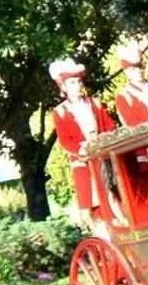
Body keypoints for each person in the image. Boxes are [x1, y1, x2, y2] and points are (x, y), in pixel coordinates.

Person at [49, 59, 117, 217]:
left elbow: (109, 125)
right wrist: (82, 149)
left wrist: (104, 140)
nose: (77, 85)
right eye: (72, 83)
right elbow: (65, 141)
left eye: (79, 81)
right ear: (64, 87)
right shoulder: (60, 112)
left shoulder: (95, 103)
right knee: (94, 204)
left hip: (103, 155)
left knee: (114, 193)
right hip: (83, 161)